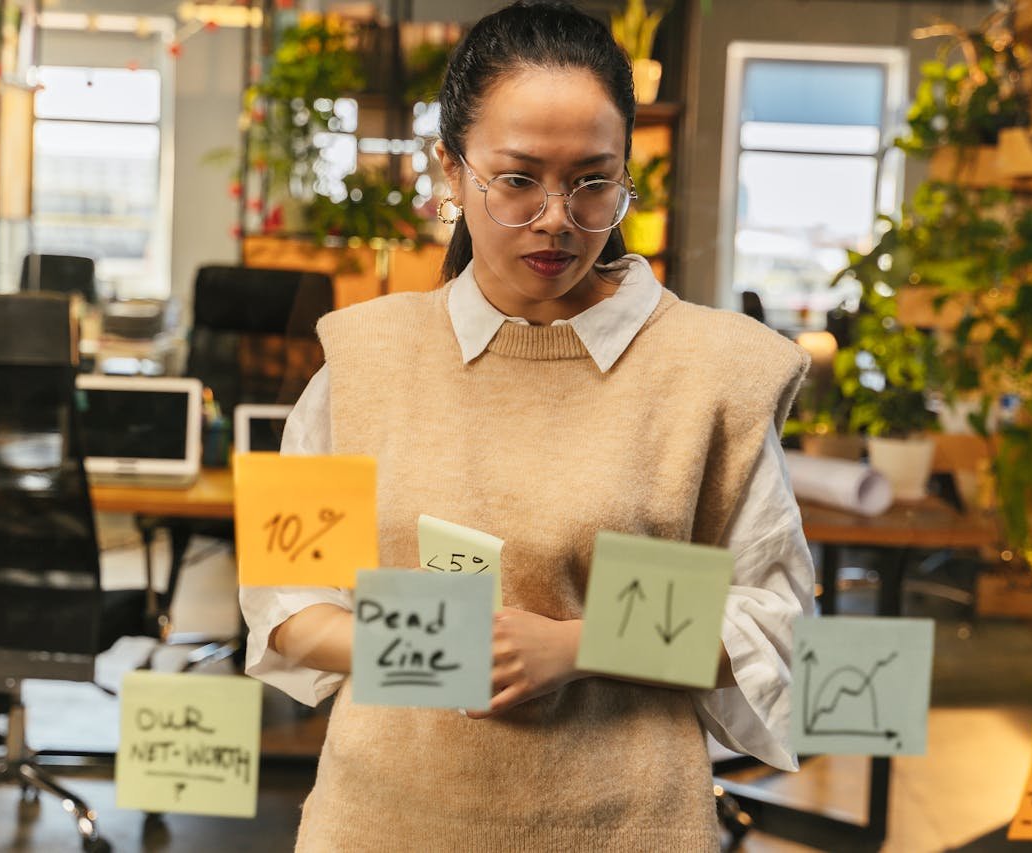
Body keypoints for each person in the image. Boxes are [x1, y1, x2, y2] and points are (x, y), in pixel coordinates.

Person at [239, 2, 814, 849]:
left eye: (593, 180)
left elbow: (774, 618)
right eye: (517, 179)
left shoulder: (714, 372)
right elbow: (284, 600)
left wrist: (577, 645)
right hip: (384, 819)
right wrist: (450, 643)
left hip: (625, 824)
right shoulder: (359, 358)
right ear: (450, 169)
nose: (557, 217)